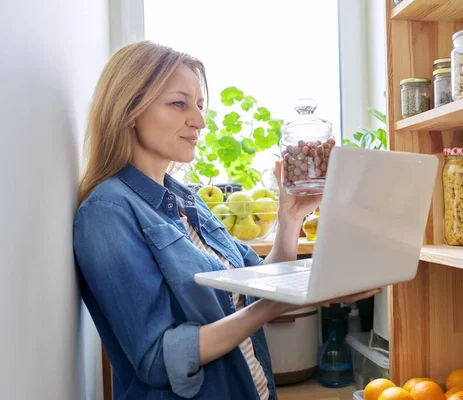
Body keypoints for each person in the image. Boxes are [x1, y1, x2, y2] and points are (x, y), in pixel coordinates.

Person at [73, 41, 379, 400]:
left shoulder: (186, 199)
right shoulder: (108, 213)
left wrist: (290, 217)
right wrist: (279, 303)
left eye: (200, 106)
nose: (200, 121)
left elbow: (259, 282)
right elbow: (158, 359)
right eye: (179, 103)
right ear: (129, 109)